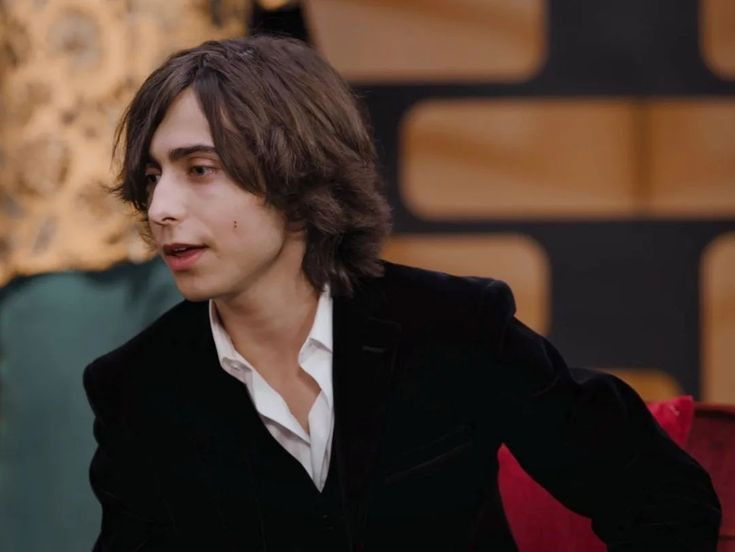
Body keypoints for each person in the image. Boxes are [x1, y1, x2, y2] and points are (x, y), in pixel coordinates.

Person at [83, 35, 720, 551]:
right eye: (152, 177)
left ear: (298, 176)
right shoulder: (137, 388)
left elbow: (663, 499)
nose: (160, 208)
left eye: (200, 170)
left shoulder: (454, 326)